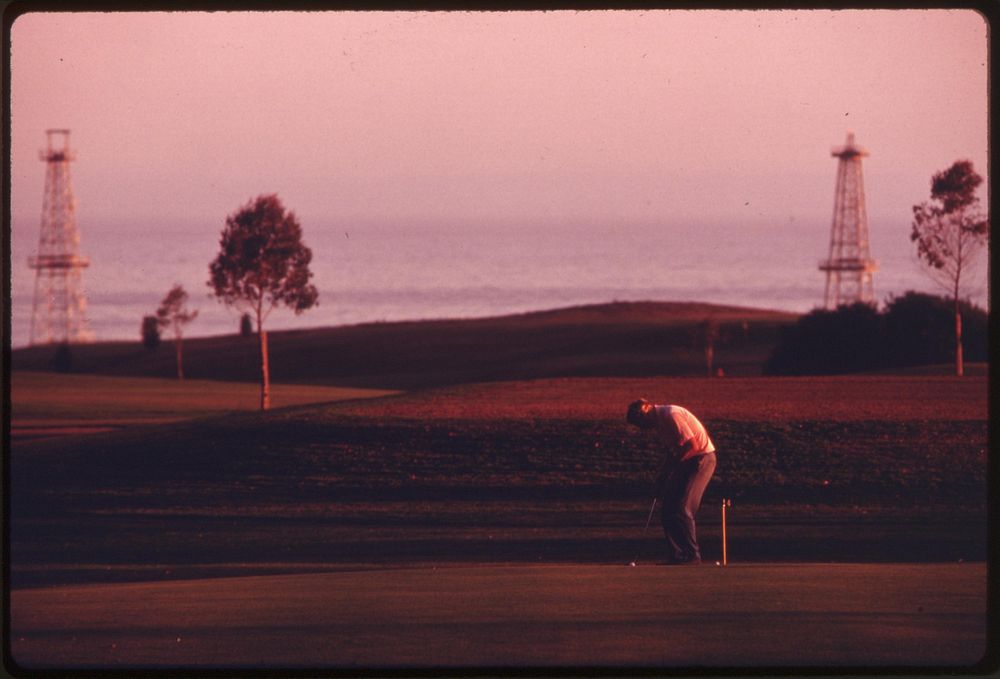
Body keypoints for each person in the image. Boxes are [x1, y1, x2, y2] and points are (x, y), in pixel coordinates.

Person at [627, 398, 716, 565]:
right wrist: (663, 475)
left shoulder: (671, 415)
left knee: (682, 507)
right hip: (688, 461)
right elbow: (673, 451)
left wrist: (673, 468)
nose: (643, 429)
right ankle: (677, 555)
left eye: (640, 424)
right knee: (668, 507)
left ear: (644, 414)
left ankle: (692, 555)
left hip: (701, 460)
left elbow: (693, 446)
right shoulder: (660, 423)